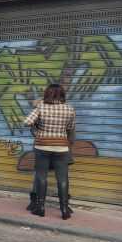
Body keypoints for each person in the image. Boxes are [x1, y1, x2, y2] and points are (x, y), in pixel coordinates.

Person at [24, 84, 76, 219]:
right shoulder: (69, 109)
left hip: (43, 146)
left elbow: (27, 122)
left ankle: (40, 208)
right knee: (63, 178)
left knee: (41, 176)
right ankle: (64, 210)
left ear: (47, 94)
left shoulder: (41, 107)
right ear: (62, 95)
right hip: (62, 148)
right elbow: (70, 128)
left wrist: (38, 126)